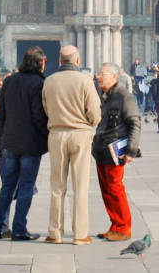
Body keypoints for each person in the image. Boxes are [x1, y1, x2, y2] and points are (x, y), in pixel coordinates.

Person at [41, 45, 101, 245]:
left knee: (57, 186)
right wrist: (89, 123)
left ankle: (54, 233)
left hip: (57, 134)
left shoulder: (49, 81)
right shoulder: (85, 81)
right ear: (77, 61)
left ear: (59, 61)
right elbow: (94, 112)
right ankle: (80, 234)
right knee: (80, 186)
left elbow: (46, 108)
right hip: (80, 135)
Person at [0, 46, 48, 241]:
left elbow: (1, 113)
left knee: (8, 185)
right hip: (30, 143)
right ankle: (19, 228)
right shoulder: (38, 84)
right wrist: (46, 136)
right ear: (42, 63)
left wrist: (7, 131)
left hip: (11, 141)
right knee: (25, 185)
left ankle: (1, 227)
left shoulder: (9, 81)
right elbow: (38, 116)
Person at [92, 63, 140, 242]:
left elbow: (135, 122)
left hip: (115, 151)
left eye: (102, 74)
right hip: (102, 149)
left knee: (115, 188)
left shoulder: (123, 96)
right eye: (98, 73)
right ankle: (114, 225)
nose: (98, 77)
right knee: (106, 190)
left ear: (114, 76)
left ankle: (123, 228)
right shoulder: (105, 95)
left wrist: (131, 151)